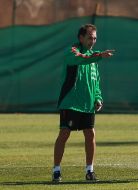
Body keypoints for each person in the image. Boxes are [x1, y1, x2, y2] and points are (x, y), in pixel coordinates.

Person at [52, 24, 114, 182]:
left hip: (88, 104)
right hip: (71, 102)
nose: (92, 41)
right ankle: (56, 171)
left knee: (90, 134)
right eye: (89, 38)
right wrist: (99, 55)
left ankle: (89, 171)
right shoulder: (72, 51)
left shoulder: (93, 57)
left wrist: (98, 97)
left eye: (94, 38)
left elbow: (96, 81)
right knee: (64, 134)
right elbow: (81, 59)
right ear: (81, 38)